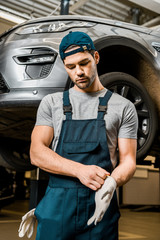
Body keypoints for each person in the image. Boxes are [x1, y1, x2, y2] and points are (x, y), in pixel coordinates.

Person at [19, 31, 138, 240]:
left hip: (100, 207)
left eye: (84, 63)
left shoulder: (123, 107)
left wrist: (112, 183)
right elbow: (36, 153)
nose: (79, 72)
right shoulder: (52, 103)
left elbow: (128, 160)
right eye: (71, 67)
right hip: (56, 210)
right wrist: (80, 171)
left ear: (96, 57)